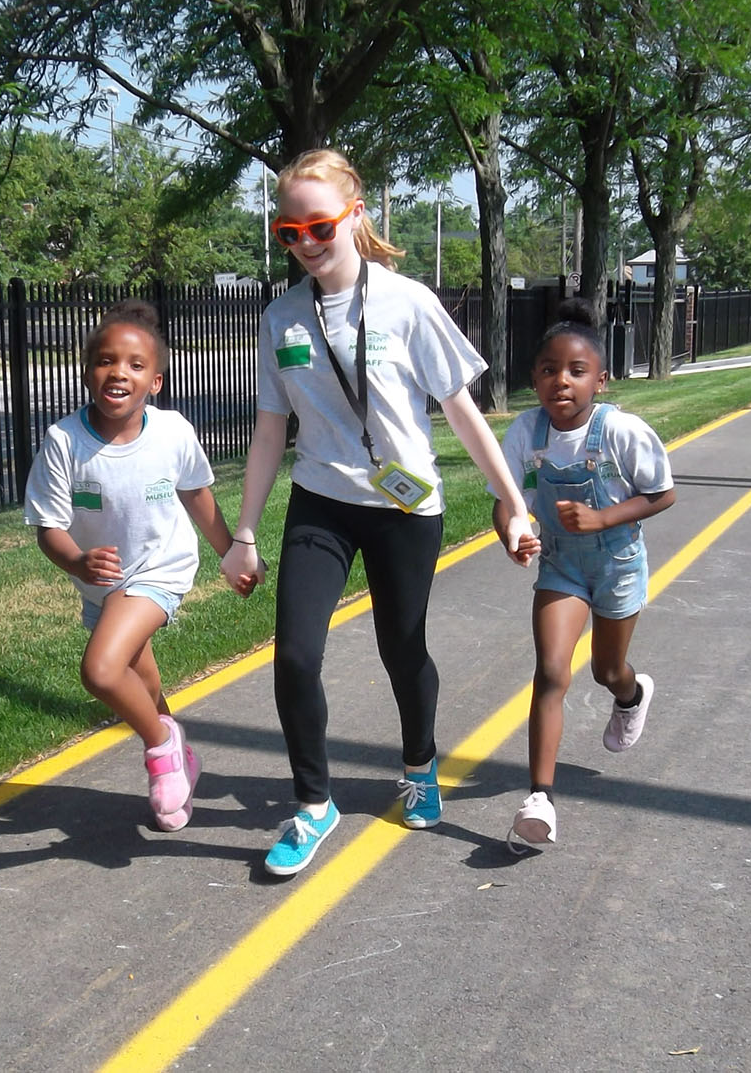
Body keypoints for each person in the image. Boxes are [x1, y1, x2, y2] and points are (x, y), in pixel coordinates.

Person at [219, 149, 534, 877]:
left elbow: (463, 412)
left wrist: (512, 504)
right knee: (295, 653)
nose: (304, 243)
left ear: (355, 217)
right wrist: (242, 532)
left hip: (404, 506)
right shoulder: (281, 317)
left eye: (318, 225)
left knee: (402, 648)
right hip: (321, 503)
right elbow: (272, 429)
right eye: (287, 230)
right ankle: (313, 803)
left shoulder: (408, 302)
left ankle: (419, 762)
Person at [24, 300, 253, 832]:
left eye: (135, 364)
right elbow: (48, 528)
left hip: (161, 567)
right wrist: (77, 561)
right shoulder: (64, 442)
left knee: (101, 670)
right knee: (141, 686)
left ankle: (161, 749)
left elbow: (196, 496)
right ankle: (179, 751)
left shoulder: (172, 432)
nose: (118, 372)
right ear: (86, 371)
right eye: (106, 360)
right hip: (103, 583)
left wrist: (230, 553)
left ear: (155, 381)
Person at [494, 300, 675, 851]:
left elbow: (662, 493)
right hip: (561, 566)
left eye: (576, 371)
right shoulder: (526, 432)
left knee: (606, 670)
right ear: (534, 377)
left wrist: (602, 516)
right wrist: (512, 532)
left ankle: (630, 693)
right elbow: (507, 501)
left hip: (617, 563)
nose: (561, 382)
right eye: (549, 370)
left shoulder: (621, 429)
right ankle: (539, 800)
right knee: (552, 672)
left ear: (601, 378)